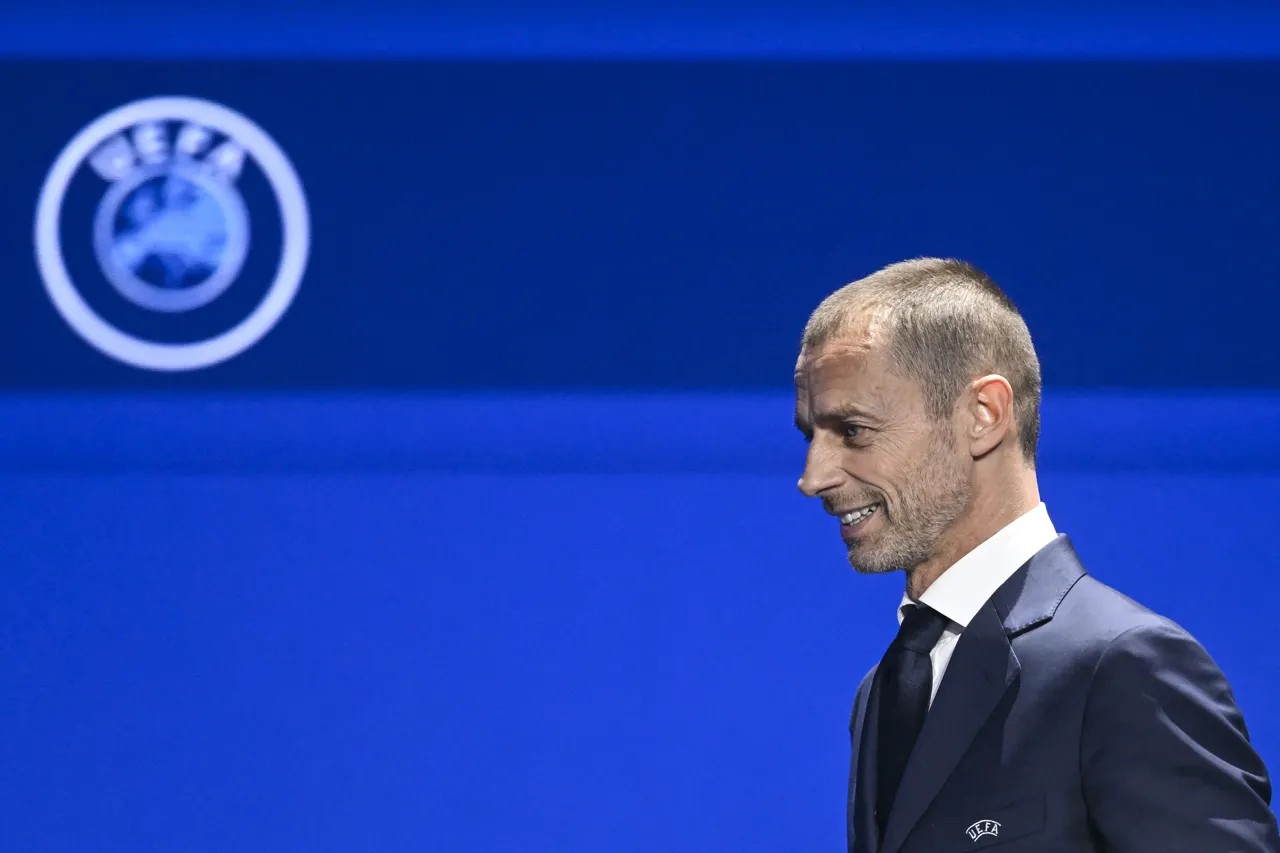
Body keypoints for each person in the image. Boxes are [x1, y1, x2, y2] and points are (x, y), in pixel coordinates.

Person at [792, 258, 1280, 852]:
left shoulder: (1122, 666)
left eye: (853, 431)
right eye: (810, 435)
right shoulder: (882, 690)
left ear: (984, 415)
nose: (812, 478)